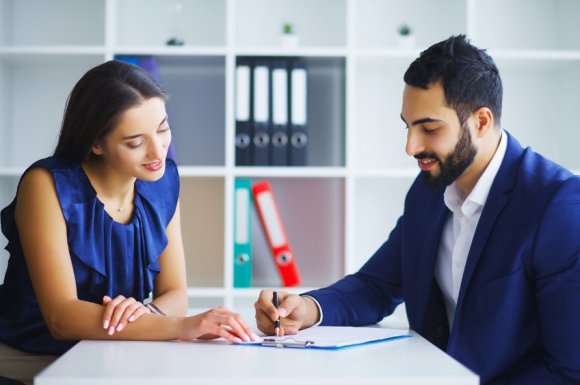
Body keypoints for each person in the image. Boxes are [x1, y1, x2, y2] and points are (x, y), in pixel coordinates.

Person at [254, 35, 580, 384]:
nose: (411, 146)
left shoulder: (558, 207)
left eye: (429, 129)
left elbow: (568, 371)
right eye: (408, 127)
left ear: (481, 121)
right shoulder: (428, 191)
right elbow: (377, 285)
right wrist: (307, 309)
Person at [0, 60, 258, 385]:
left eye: (163, 129)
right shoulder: (47, 184)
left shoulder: (163, 181)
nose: (158, 151)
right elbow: (61, 317)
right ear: (96, 143)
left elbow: (176, 292)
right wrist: (182, 326)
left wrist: (142, 315)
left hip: (111, 351)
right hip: (29, 355)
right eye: (135, 142)